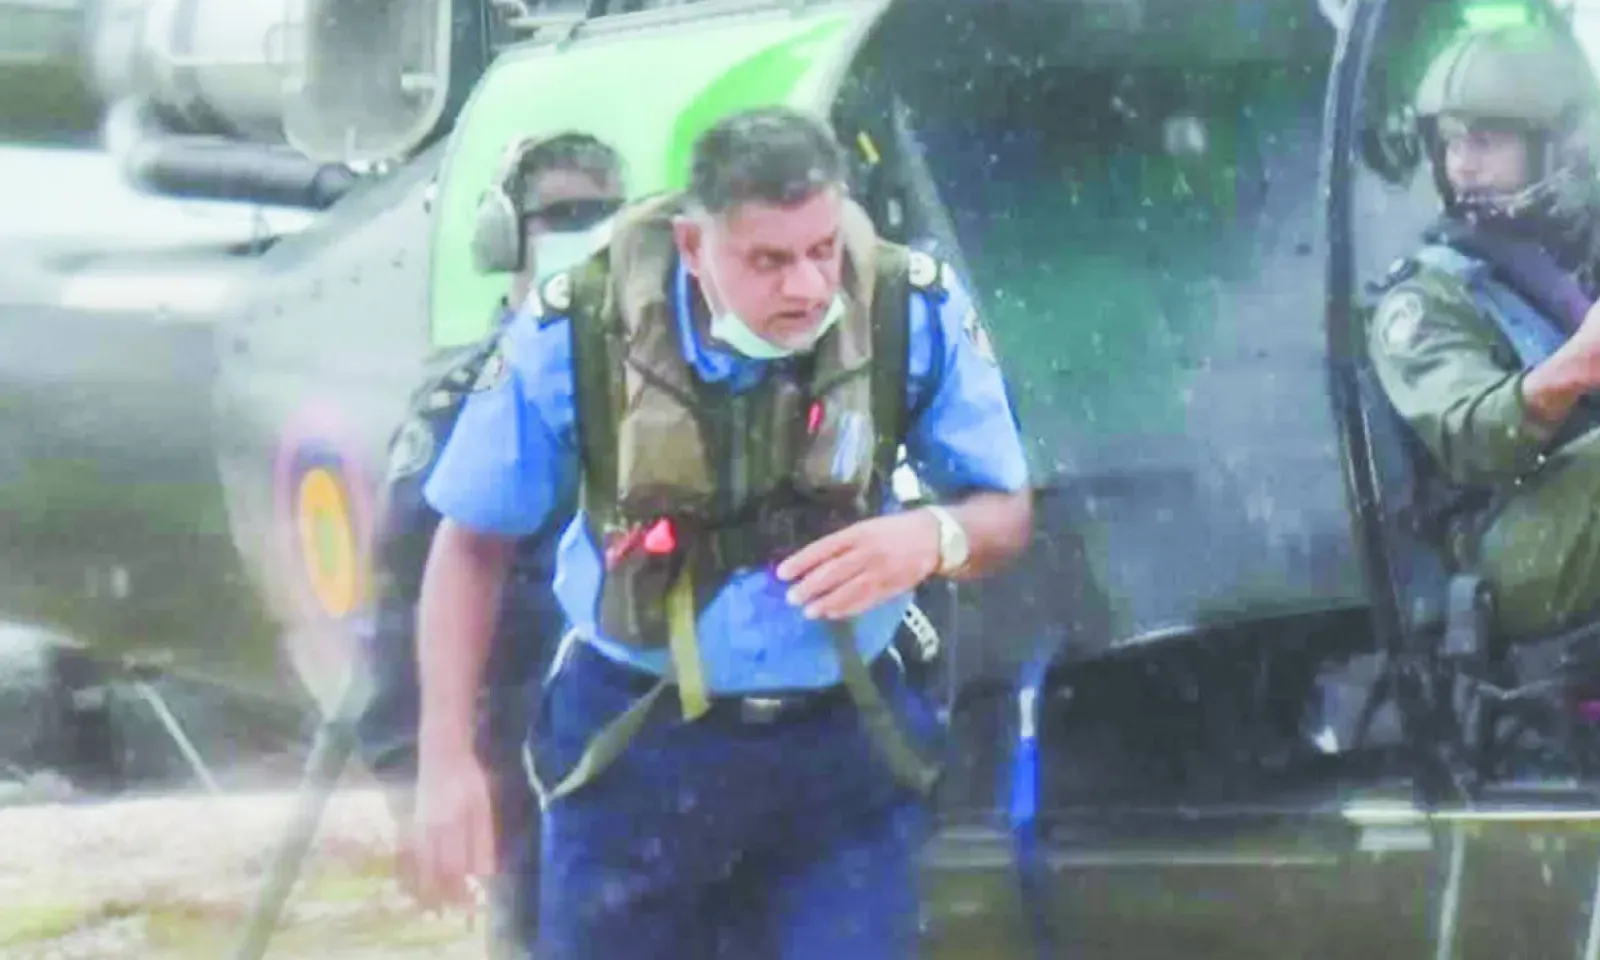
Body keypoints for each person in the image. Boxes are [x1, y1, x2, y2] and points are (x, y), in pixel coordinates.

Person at [410, 105, 1033, 958]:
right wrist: (445, 759)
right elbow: (470, 544)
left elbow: (1006, 511)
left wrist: (932, 539)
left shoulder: (906, 307)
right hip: (636, 752)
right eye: (768, 260)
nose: (806, 287)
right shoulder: (583, 325)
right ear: (694, 246)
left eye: (823, 250)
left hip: (840, 758)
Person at [352, 130, 624, 959]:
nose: (586, 234)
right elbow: (404, 598)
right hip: (516, 746)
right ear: (506, 236)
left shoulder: (654, 381)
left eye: (604, 215)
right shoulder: (467, 396)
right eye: (563, 216)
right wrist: (421, 768)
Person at [1367, 23, 1600, 639]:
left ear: (1561, 147)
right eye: (1451, 143)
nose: (1462, 164)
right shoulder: (1425, 298)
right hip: (1504, 542)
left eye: (1485, 141)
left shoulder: (1577, 252)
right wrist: (1576, 365)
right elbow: (1471, 437)